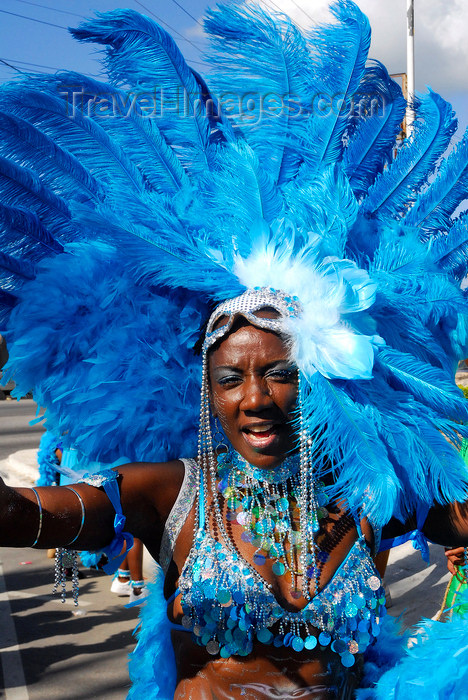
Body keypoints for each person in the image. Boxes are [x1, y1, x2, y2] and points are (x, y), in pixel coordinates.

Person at [0, 2, 468, 698]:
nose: (253, 398)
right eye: (230, 378)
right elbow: (28, 516)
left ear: (318, 380)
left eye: (280, 373)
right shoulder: (168, 491)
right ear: (206, 389)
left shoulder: (375, 493)